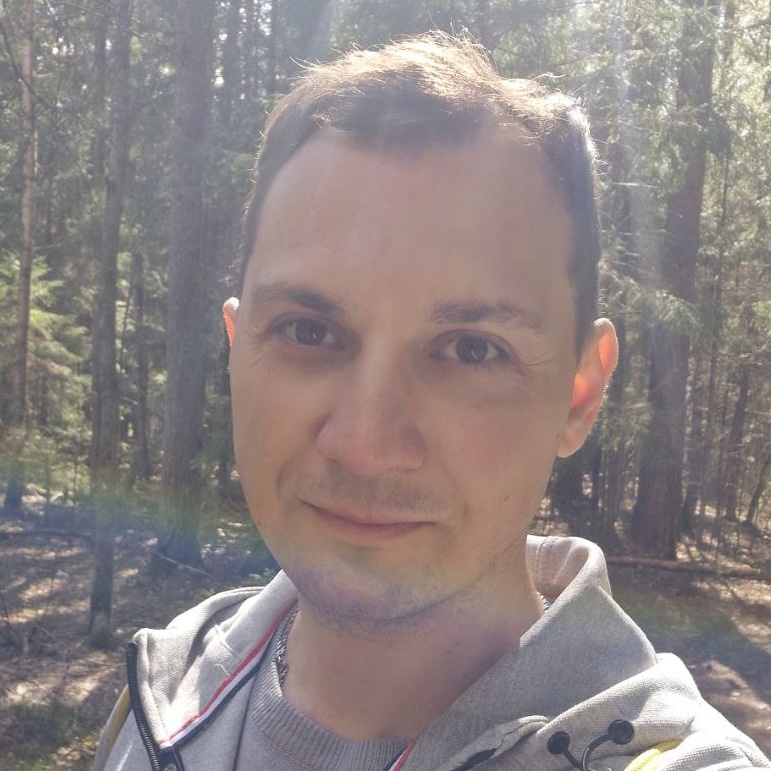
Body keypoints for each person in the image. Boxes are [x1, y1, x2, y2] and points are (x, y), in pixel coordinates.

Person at [94, 33, 770, 771]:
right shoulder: (162, 694)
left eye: (472, 349)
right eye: (308, 331)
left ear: (579, 393)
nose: (365, 443)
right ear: (236, 350)